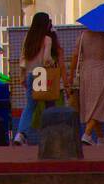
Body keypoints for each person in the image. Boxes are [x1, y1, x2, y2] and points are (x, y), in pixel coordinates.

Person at [13, 12, 70, 146]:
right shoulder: (47, 39)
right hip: (42, 74)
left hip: (30, 74)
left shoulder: (28, 38)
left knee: (30, 106)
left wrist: (22, 77)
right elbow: (46, 59)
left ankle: (20, 134)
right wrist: (50, 62)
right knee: (49, 104)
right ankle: (50, 136)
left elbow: (22, 59)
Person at [69, 29, 104, 145]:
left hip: (85, 71)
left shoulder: (82, 36)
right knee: (100, 102)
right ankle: (87, 134)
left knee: (90, 103)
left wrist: (71, 76)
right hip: (101, 70)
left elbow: (75, 57)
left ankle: (101, 137)